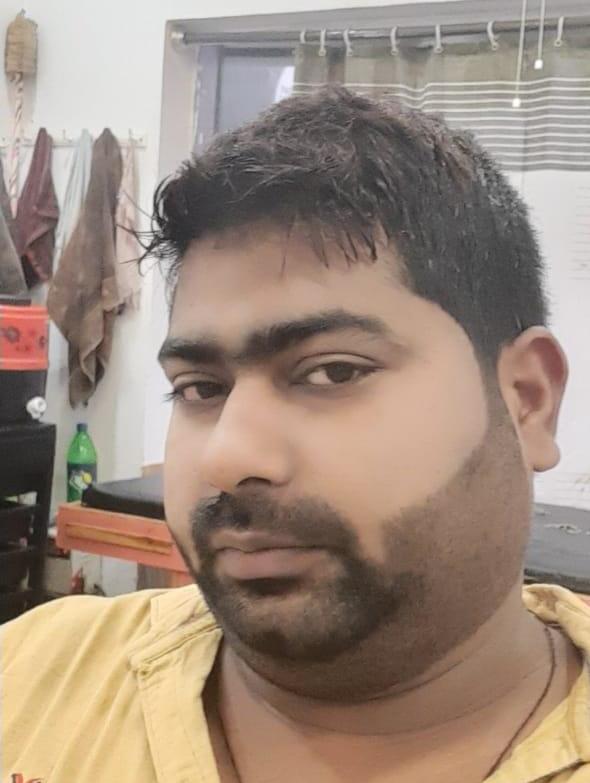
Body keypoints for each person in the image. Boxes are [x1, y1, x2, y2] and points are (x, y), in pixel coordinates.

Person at [2, 85, 588, 783]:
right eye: (200, 388)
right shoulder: (31, 673)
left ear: (528, 401)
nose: (228, 455)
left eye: (333, 372)